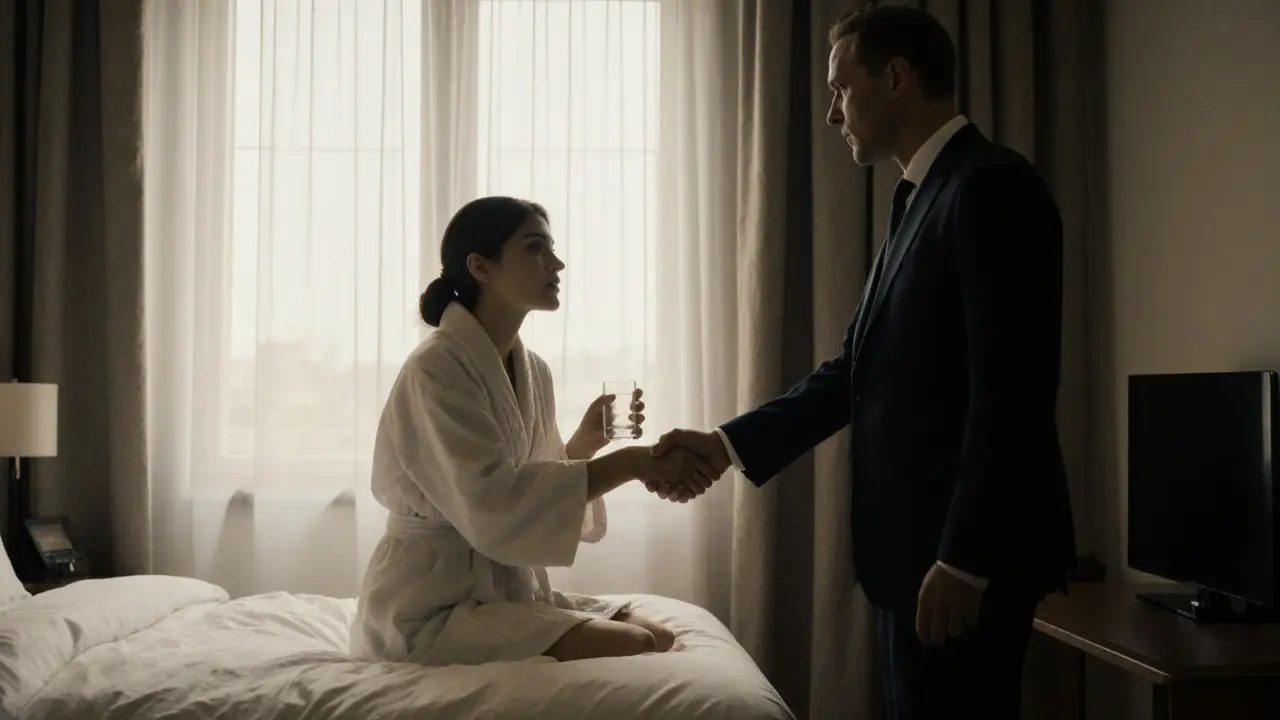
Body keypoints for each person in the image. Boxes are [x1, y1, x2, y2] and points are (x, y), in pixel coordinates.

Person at [649, 5, 1076, 718]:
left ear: (898, 78)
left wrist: (964, 559)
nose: (831, 114)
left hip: (961, 563)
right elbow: (853, 372)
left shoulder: (991, 187)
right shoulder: (919, 199)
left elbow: (1013, 392)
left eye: (841, 89)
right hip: (912, 561)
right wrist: (724, 446)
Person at [350, 196, 716, 667]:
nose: (556, 263)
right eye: (535, 248)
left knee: (658, 636)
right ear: (481, 266)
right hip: (429, 604)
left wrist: (586, 442)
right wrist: (633, 462)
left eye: (552, 248)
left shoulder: (532, 369)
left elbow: (534, 480)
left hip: (501, 586)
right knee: (636, 645)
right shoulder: (436, 368)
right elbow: (496, 502)